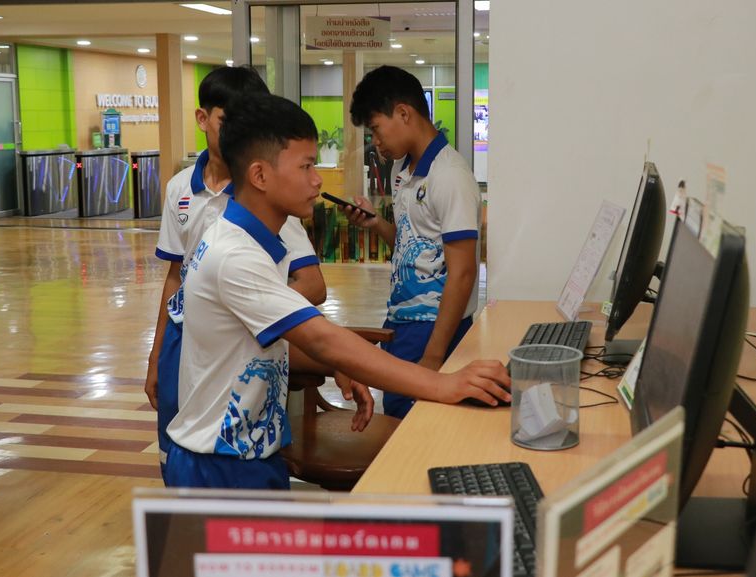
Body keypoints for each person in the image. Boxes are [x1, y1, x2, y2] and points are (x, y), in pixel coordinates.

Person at [164, 92, 510, 489]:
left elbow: (258, 342)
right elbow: (321, 339)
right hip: (218, 466)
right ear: (260, 176)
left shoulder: (250, 242)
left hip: (247, 453)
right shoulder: (234, 256)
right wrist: (445, 383)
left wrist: (337, 367)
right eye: (306, 166)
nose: (316, 179)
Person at [146, 65, 326, 481]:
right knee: (179, 444)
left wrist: (256, 308)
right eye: (230, 120)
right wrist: (156, 354)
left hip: (243, 337)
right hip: (184, 336)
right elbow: (175, 276)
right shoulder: (180, 189)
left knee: (234, 442)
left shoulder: (265, 198)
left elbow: (313, 286)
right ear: (202, 118)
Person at [344, 65, 482, 418]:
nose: (376, 142)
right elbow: (414, 247)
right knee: (398, 411)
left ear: (404, 113)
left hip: (434, 326)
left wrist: (433, 357)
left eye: (376, 129)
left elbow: (463, 273)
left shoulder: (449, 175)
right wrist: (377, 224)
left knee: (411, 417)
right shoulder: (402, 169)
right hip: (402, 320)